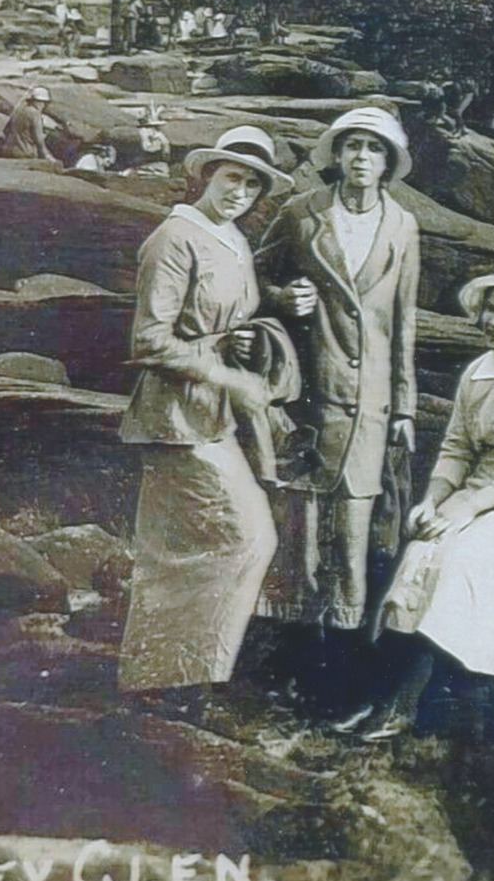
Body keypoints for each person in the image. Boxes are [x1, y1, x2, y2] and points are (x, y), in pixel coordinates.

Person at [350, 263, 494, 740]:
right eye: (491, 311)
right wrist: (434, 501)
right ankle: (379, 698)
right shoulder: (478, 372)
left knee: (458, 560)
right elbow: (457, 448)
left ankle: (406, 705)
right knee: (420, 552)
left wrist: (468, 509)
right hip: (479, 488)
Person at [116, 128, 297, 714]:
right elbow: (149, 340)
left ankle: (177, 679)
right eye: (231, 178)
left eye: (252, 183)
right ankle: (176, 681)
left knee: (196, 544)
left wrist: (262, 320)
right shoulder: (173, 238)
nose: (240, 191)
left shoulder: (234, 240)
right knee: (239, 538)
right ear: (207, 176)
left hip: (211, 417)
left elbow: (226, 314)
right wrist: (224, 374)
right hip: (173, 415)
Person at [254, 106, 421, 641]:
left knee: (355, 524)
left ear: (389, 162)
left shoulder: (403, 226)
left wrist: (405, 406)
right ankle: (289, 651)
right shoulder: (303, 213)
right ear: (337, 154)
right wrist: (282, 297)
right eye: (353, 146)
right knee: (300, 521)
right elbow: (253, 269)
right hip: (310, 390)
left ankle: (341, 653)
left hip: (371, 399)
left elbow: (405, 320)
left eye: (374, 149)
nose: (362, 158)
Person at [0, 86, 55, 161]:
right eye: (44, 103)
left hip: (8, 151)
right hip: (25, 153)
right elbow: (39, 140)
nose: (44, 106)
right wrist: (47, 157)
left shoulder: (18, 111)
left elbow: (6, 130)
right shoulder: (35, 114)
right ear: (40, 102)